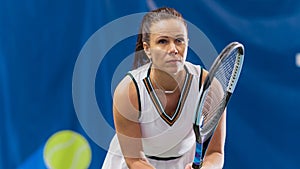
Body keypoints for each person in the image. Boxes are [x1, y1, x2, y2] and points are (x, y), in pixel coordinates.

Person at [102, 7, 226, 169]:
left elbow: (215, 153)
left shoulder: (209, 86)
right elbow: (134, 160)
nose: (173, 49)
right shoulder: (128, 91)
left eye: (179, 40)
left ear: (187, 43)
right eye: (163, 41)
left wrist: (206, 168)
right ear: (147, 49)